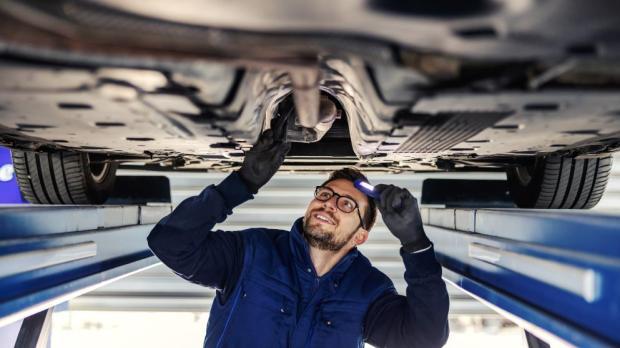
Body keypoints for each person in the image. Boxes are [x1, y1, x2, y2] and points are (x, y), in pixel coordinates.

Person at [147, 120, 450, 348]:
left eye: (345, 204)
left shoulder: (369, 291)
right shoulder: (251, 253)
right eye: (325, 194)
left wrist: (416, 244)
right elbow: (170, 243)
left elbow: (425, 337)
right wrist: (240, 184)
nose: (329, 203)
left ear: (360, 236)